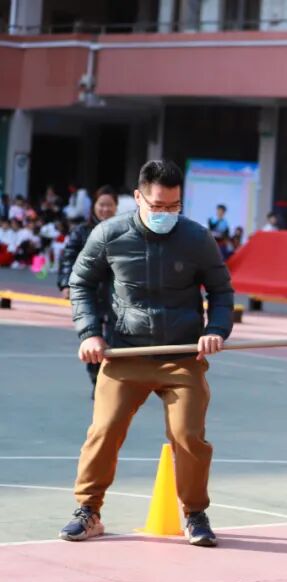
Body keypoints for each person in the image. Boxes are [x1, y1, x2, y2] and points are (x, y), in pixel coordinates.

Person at [61, 160, 234, 547]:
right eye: (157, 206)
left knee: (188, 435)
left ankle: (195, 513)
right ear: (138, 198)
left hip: (182, 356)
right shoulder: (109, 234)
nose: (165, 214)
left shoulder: (197, 238)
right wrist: (90, 333)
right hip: (125, 355)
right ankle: (88, 511)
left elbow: (221, 291)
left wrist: (216, 330)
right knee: (104, 430)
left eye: (174, 206)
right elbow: (81, 282)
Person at [57, 186, 120, 392]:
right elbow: (68, 258)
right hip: (89, 294)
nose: (105, 209)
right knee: (93, 339)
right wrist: (66, 283)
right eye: (101, 205)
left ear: (116, 207)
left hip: (116, 295)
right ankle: (96, 381)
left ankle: (110, 383)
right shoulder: (81, 231)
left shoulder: (124, 231)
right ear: (94, 206)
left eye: (109, 205)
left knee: (115, 340)